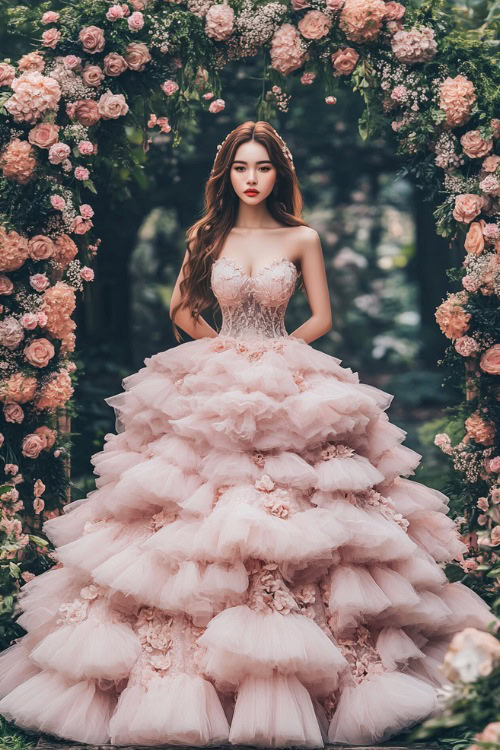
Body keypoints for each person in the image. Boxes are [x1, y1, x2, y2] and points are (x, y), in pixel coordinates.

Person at [0, 121, 496, 748]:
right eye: (241, 168)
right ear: (227, 174)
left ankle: (317, 664)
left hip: (285, 364)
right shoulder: (206, 236)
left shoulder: (302, 237)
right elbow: (182, 310)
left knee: (310, 505)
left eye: (262, 168)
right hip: (220, 368)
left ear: (278, 174)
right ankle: (189, 673)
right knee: (191, 506)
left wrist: (281, 353)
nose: (252, 178)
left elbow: (321, 315)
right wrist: (226, 348)